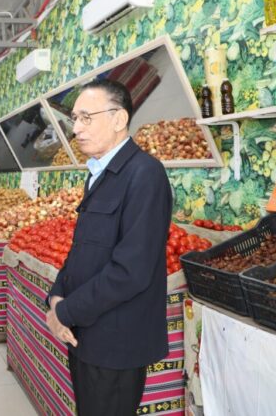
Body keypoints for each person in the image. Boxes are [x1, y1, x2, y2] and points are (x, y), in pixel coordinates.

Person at [45, 79, 173, 416]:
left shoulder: (145, 175)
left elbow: (131, 271)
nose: (76, 128)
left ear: (119, 119)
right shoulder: (98, 174)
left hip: (116, 342)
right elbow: (82, 249)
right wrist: (57, 295)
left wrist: (65, 312)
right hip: (86, 335)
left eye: (86, 118)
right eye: (75, 118)